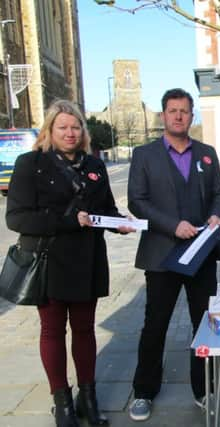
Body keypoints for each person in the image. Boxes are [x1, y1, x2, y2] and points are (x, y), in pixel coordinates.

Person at [5, 100, 135, 427]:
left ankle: (88, 399)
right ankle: (62, 402)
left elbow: (103, 210)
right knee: (52, 331)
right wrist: (67, 221)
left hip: (87, 260)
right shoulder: (30, 164)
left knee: (85, 330)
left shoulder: (94, 165)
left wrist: (118, 223)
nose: (70, 133)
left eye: (75, 127)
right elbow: (17, 218)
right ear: (49, 130)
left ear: (83, 131)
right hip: (48, 262)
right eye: (62, 127)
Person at [127, 88, 220, 421]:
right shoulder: (145, 155)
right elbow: (137, 201)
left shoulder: (207, 153)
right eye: (173, 111)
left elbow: (219, 194)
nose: (179, 116)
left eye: (185, 111)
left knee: (204, 324)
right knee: (155, 325)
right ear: (163, 115)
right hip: (162, 253)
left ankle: (203, 389)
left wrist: (216, 214)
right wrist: (173, 225)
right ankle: (143, 391)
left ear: (192, 114)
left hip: (201, 253)